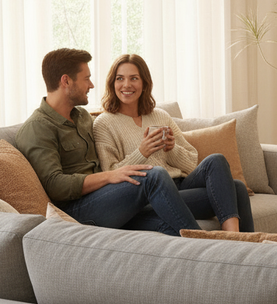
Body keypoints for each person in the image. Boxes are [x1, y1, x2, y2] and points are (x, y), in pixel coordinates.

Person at [15, 48, 204, 236]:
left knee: (224, 192)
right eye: (86, 78)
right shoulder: (37, 128)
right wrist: (109, 176)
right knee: (153, 175)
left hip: (111, 198)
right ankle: (205, 246)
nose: (91, 85)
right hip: (79, 210)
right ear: (66, 81)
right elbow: (56, 186)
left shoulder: (82, 116)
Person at [93, 53, 253, 234]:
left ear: (144, 83)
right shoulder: (104, 123)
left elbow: (192, 163)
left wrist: (172, 149)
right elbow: (110, 174)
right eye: (120, 78)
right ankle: (236, 241)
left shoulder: (160, 115)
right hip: (151, 195)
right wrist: (142, 152)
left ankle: (236, 239)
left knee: (218, 162)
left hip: (180, 185)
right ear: (112, 83)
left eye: (134, 78)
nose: (126, 85)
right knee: (237, 190)